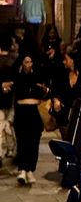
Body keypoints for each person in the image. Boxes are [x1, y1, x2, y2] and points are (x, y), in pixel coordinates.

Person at [8, 52, 48, 185]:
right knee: (22, 141)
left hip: (34, 114)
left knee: (33, 142)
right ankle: (22, 169)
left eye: (30, 62)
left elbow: (43, 95)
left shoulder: (38, 77)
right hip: (21, 114)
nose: (28, 65)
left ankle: (30, 169)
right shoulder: (18, 78)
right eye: (26, 62)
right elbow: (16, 97)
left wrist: (45, 90)